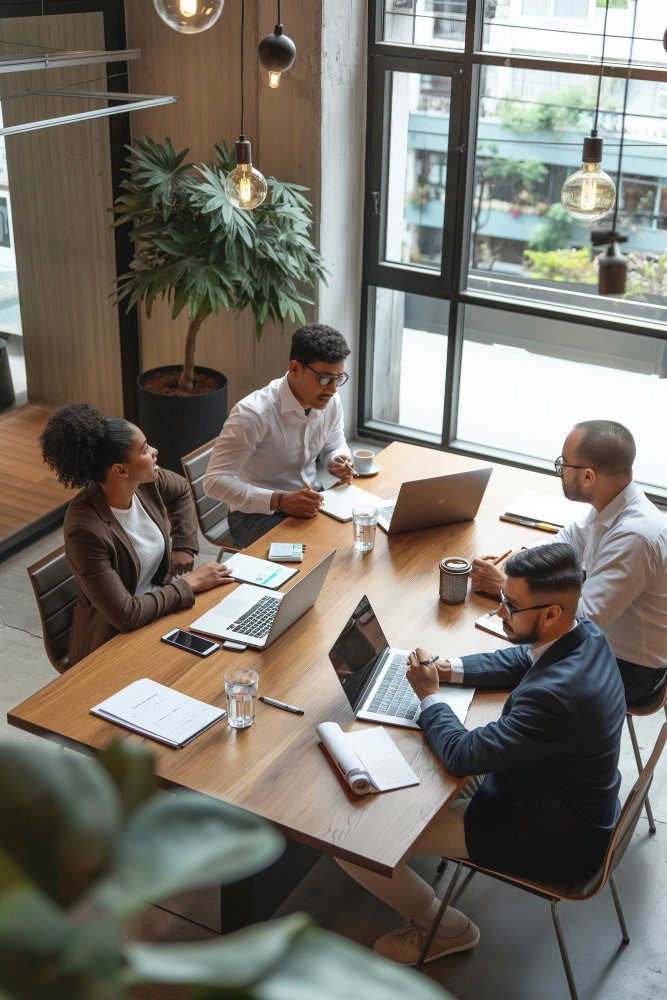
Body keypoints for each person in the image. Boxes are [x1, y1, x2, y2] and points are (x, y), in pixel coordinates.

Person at [337, 544, 626, 967]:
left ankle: (443, 929)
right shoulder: (584, 634)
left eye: (511, 606)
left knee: (354, 842)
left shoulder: (556, 698)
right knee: (412, 773)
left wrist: (430, 696)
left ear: (550, 614)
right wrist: (446, 669)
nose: (501, 612)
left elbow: (460, 754)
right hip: (563, 797)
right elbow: (520, 659)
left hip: (542, 835)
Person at [471, 420, 667, 707]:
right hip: (605, 646)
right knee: (509, 646)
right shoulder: (614, 505)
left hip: (629, 670)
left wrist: (505, 588)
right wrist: (512, 568)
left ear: (588, 476)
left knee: (514, 658)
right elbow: (564, 542)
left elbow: (583, 621)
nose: (560, 472)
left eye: (564, 465)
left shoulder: (635, 537)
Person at [40, 403, 234, 665]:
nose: (155, 452)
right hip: (111, 643)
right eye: (144, 450)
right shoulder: (84, 531)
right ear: (120, 470)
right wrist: (189, 584)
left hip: (158, 611)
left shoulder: (146, 483)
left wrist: (184, 545)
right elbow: (126, 615)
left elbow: (181, 491)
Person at [203, 323, 354, 548]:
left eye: (338, 378)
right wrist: (280, 501)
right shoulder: (253, 414)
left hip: (312, 500)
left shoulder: (329, 400)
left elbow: (335, 443)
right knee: (317, 554)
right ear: (294, 369)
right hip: (255, 516)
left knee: (354, 537)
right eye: (324, 378)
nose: (332, 389)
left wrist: (338, 459)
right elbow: (213, 482)